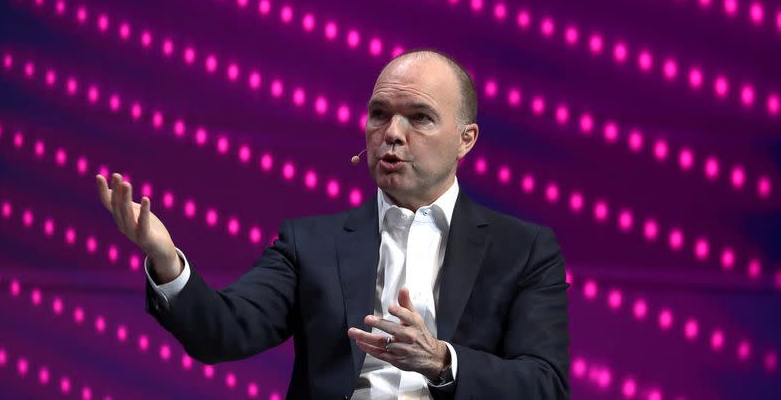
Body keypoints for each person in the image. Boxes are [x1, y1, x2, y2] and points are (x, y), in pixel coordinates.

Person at [95, 50, 570, 399]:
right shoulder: (310, 243)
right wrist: (164, 259)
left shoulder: (523, 249)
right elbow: (223, 333)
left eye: (419, 118)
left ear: (466, 140)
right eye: (379, 114)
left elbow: (544, 386)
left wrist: (442, 362)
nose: (392, 134)